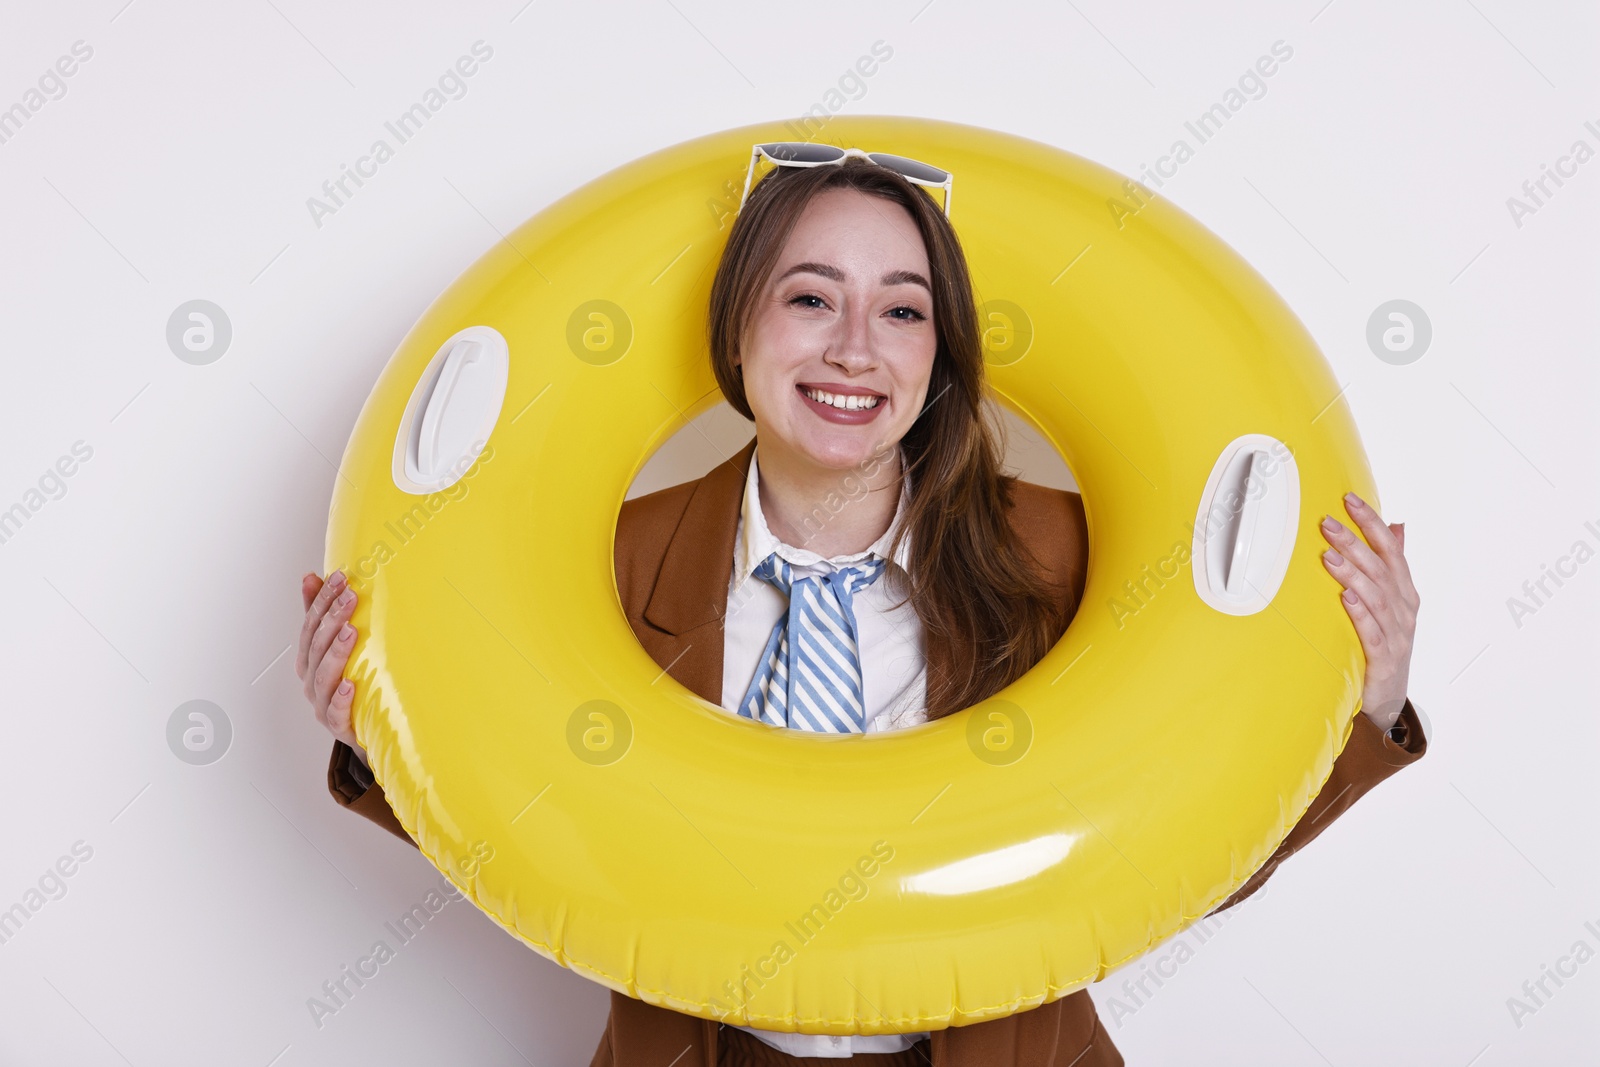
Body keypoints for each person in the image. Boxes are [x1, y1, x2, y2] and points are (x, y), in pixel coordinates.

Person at [298, 152, 1427, 1066]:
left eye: (902, 310)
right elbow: (540, 822)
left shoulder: (1071, 560)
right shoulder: (605, 564)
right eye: (809, 298)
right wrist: (384, 730)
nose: (853, 348)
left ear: (941, 357)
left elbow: (1186, 836)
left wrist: (1361, 701)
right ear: (737, 324)